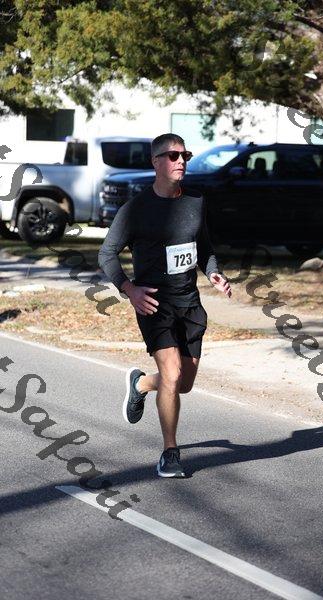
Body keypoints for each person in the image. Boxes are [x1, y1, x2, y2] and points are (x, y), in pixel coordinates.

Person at [98, 133, 232, 478]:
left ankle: (141, 384)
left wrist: (213, 273)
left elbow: (204, 247)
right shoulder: (136, 210)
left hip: (189, 303)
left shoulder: (196, 202)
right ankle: (170, 453)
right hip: (154, 303)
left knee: (182, 383)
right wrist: (129, 289)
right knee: (172, 375)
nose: (181, 161)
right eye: (172, 156)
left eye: (185, 155)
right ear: (155, 162)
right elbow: (107, 254)